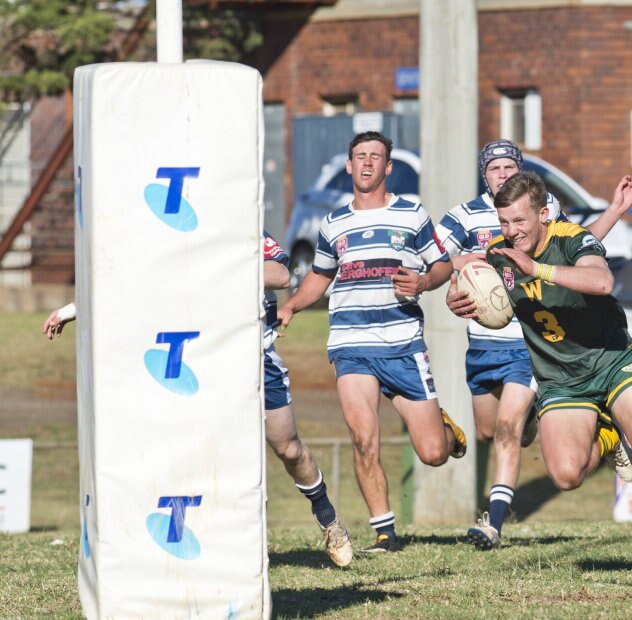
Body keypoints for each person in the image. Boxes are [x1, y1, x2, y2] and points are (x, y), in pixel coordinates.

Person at [446, 171, 632, 574]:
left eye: (520, 221)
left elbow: (601, 280)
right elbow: (457, 269)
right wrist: (453, 297)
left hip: (612, 363)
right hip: (560, 378)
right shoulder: (499, 253)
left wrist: (537, 269)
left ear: (544, 214)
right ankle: (610, 435)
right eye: (504, 222)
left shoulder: (573, 239)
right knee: (565, 476)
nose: (511, 232)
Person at [43, 231, 355, 568]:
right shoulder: (175, 236)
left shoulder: (244, 226)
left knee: (289, 448)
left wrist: (216, 268)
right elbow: (131, 278)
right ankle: (214, 545)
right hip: (206, 362)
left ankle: (328, 519)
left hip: (256, 359)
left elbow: (280, 275)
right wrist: (71, 309)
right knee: (207, 453)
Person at [436, 139, 632, 550]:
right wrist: (468, 270)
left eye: (510, 167)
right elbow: (437, 260)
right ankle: (595, 433)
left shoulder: (540, 208)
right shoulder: (463, 216)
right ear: (485, 175)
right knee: (491, 431)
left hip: (529, 339)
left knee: (509, 429)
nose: (503, 174)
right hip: (483, 338)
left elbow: (578, 246)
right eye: (495, 168)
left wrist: (615, 211)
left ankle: (493, 524)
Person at [278, 131, 466, 555]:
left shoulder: (412, 214)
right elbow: (320, 277)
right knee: (364, 438)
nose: (366, 164)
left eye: (375, 157)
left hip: (402, 343)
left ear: (387, 167)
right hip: (351, 343)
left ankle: (446, 432)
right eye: (359, 157)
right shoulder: (334, 223)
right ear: (349, 166)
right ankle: (385, 533)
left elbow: (441, 266)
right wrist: (291, 305)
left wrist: (422, 281)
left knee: (433, 452)